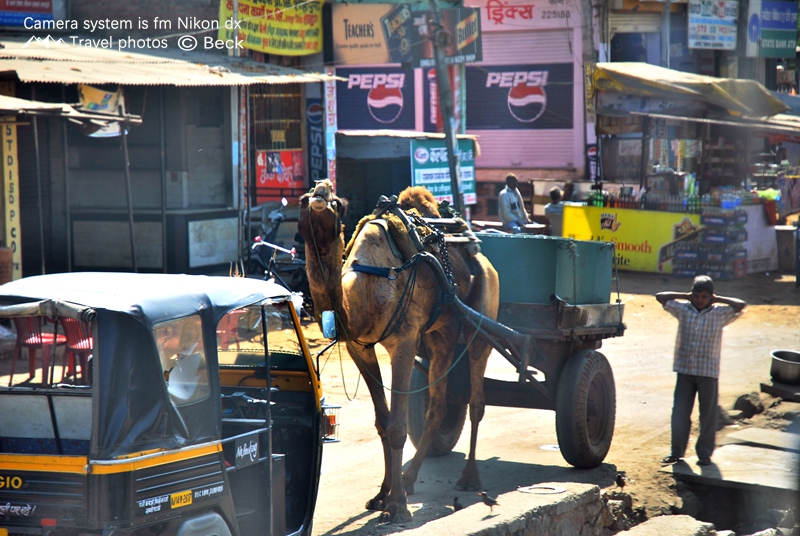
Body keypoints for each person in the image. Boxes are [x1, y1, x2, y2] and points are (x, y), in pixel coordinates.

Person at [656, 276, 747, 467]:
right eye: (696, 296)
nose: (699, 300)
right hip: (685, 370)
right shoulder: (683, 309)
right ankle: (676, 452)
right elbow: (660, 297)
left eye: (704, 297)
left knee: (707, 415)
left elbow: (741, 304)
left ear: (711, 297)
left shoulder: (719, 313)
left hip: (708, 372)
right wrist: (686, 296)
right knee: (680, 413)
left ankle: (704, 454)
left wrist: (717, 299)